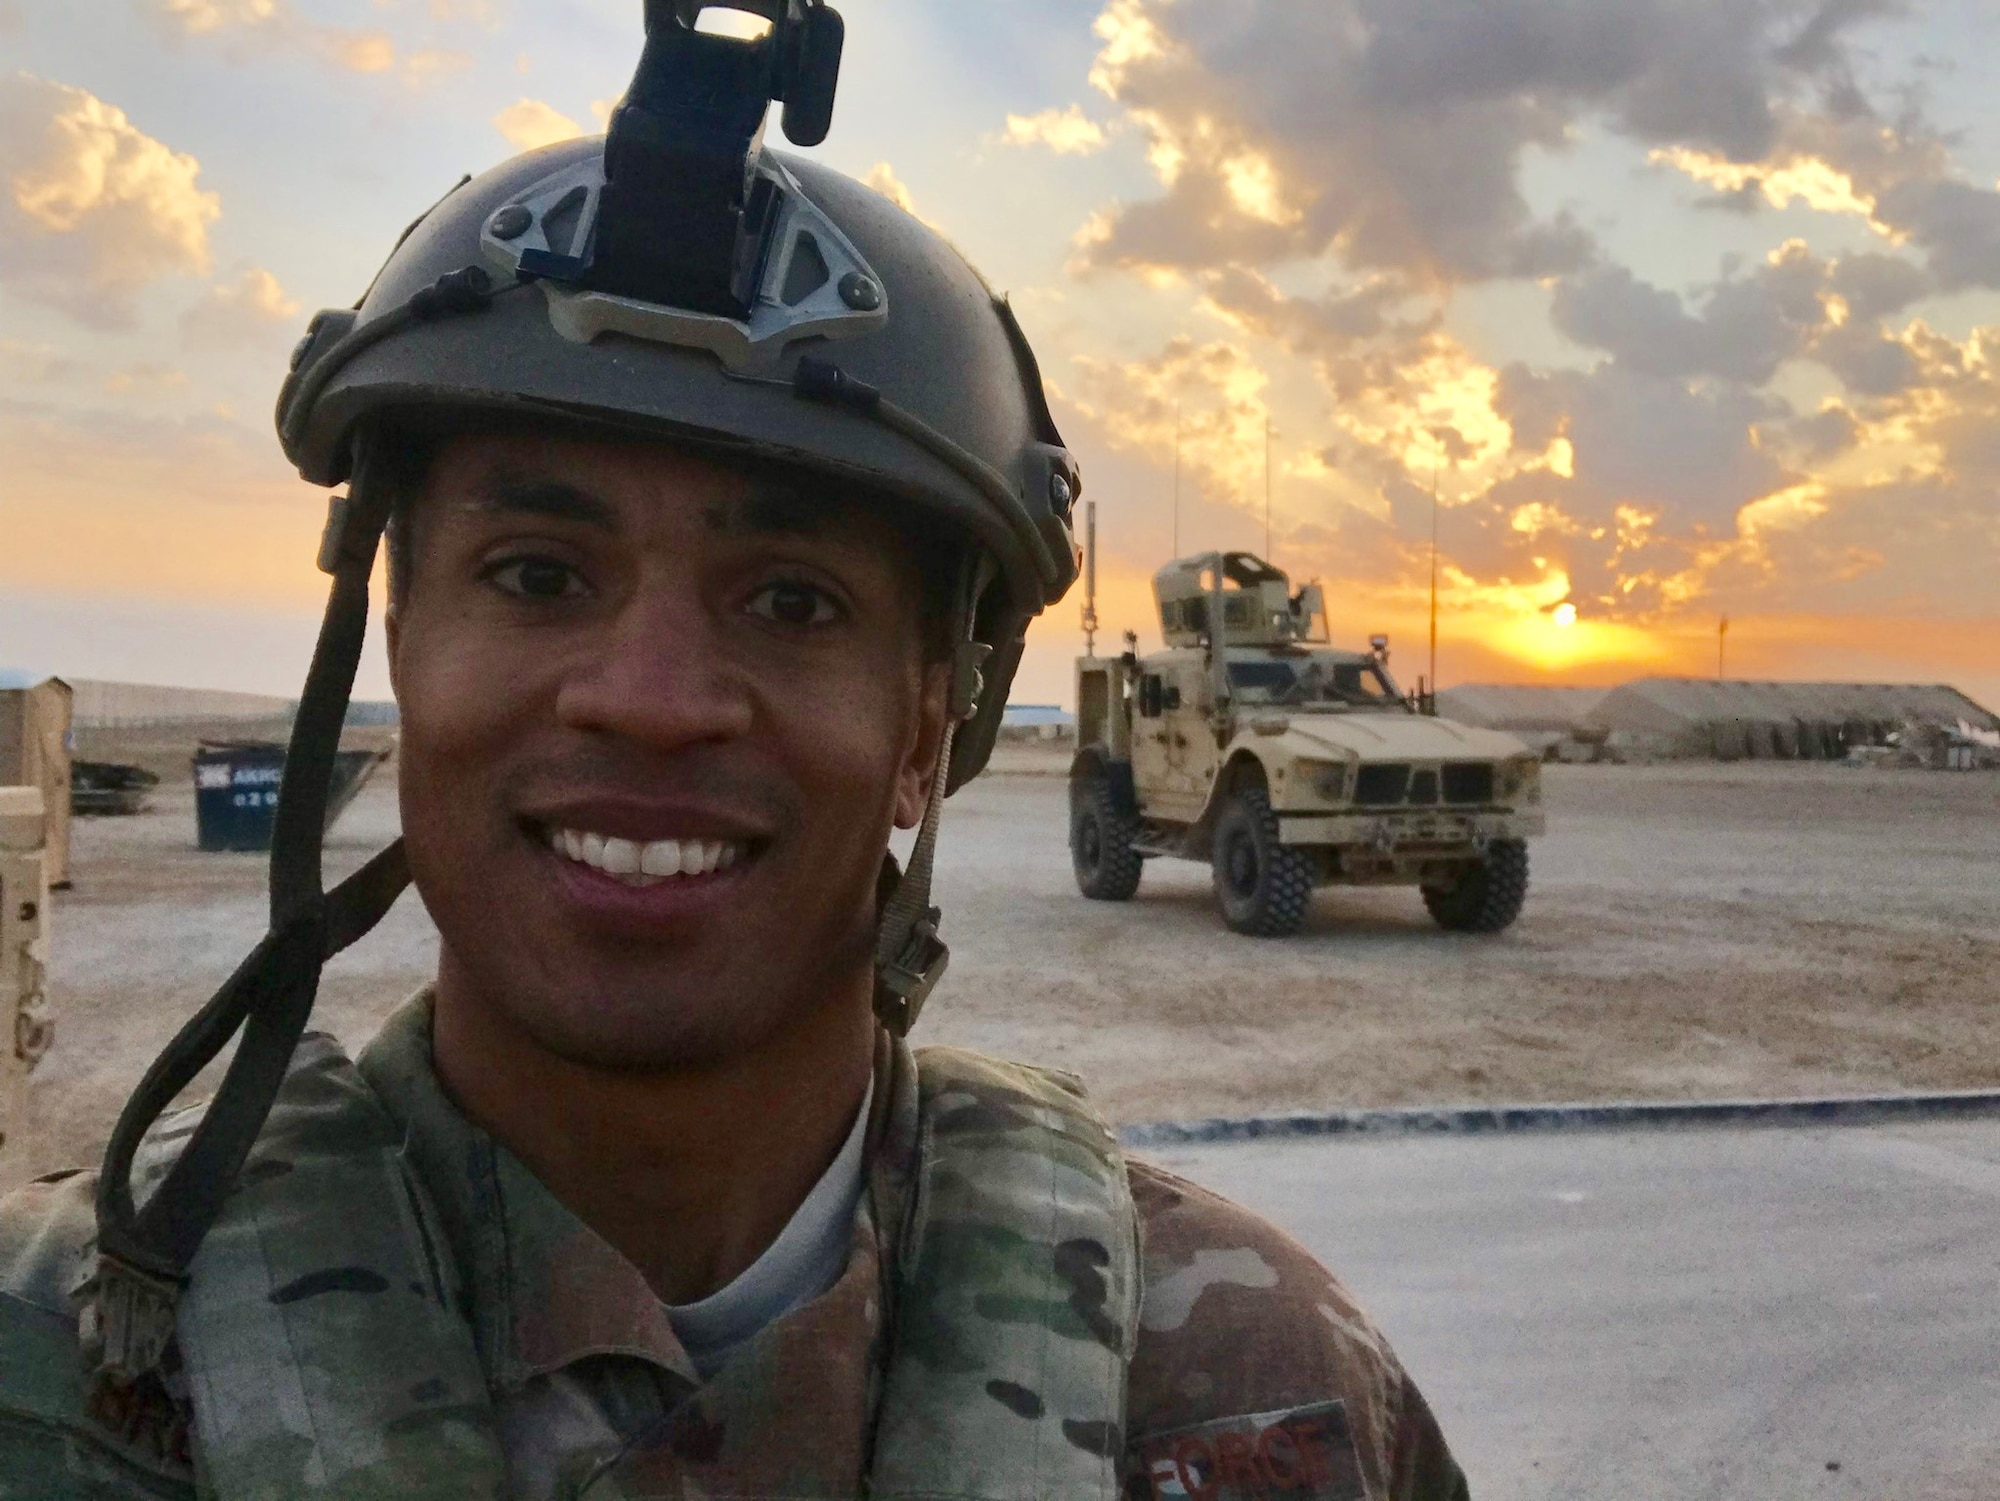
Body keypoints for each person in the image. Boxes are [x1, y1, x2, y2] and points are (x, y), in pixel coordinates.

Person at [0, 6, 1470, 1497]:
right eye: (535, 573)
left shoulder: (1255, 1394)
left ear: (926, 724)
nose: (647, 698)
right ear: (401, 647)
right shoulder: (62, 1375)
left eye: (790, 601)